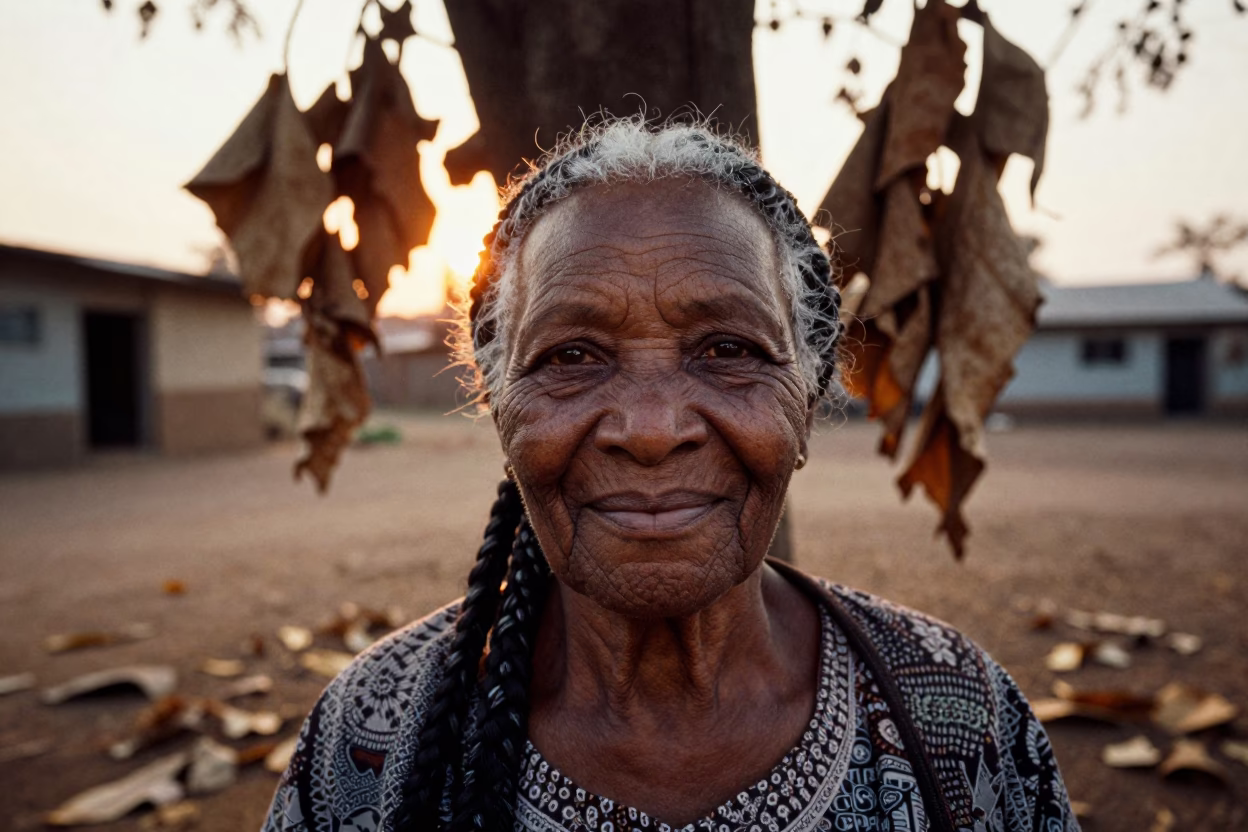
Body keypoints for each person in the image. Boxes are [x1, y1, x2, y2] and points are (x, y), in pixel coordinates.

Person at [263, 120, 1078, 832]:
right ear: (497, 404)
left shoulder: (959, 715)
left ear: (810, 396)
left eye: (727, 350)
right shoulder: (371, 737)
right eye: (572, 357)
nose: (651, 431)